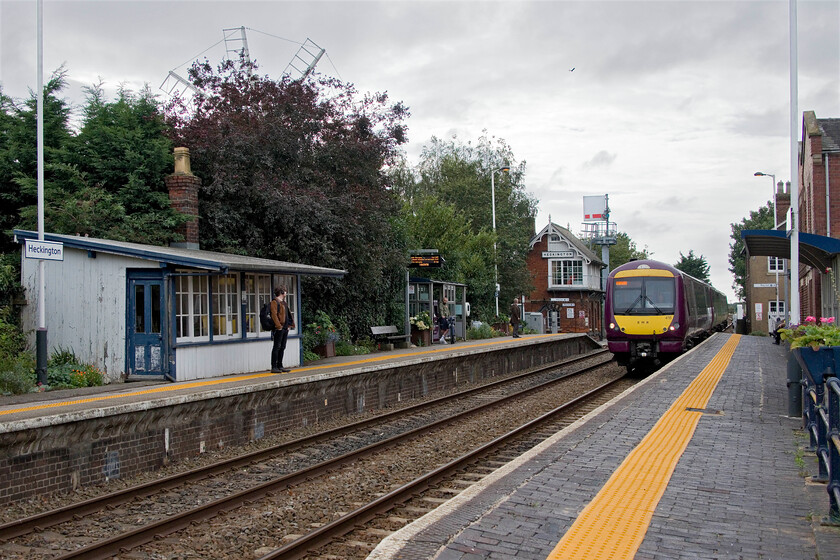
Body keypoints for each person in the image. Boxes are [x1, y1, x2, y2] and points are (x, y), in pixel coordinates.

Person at [270, 286, 295, 373]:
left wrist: (289, 325)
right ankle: (274, 366)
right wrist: (278, 326)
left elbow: (287, 314)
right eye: (285, 291)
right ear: (282, 293)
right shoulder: (274, 302)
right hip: (279, 328)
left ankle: (280, 365)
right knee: (277, 346)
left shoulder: (284, 303)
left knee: (282, 347)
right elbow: (274, 315)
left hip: (285, 327)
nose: (286, 293)